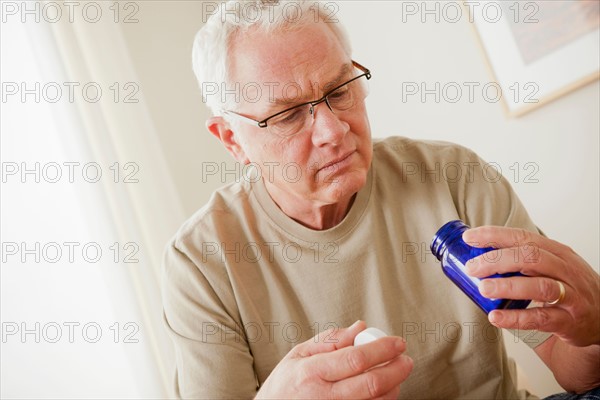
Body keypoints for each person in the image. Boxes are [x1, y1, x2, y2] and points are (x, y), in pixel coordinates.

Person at [161, 1, 600, 398]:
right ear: (231, 140)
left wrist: (593, 329)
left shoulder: (454, 178)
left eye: (339, 91)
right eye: (289, 115)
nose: (334, 131)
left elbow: (574, 371)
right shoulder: (201, 261)